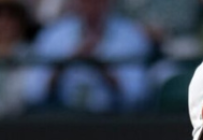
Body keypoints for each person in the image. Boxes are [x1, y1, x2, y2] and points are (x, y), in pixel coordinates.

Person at [23, 0, 152, 112]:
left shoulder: (131, 36)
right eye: (85, 0)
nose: (91, 5)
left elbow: (136, 97)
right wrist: (65, 63)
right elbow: (34, 94)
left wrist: (101, 66)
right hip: (62, 118)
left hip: (113, 120)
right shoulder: (53, 35)